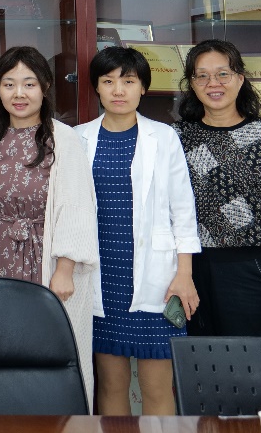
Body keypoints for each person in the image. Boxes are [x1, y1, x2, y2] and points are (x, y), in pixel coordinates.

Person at [75, 46, 200, 416]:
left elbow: (183, 210)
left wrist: (184, 275)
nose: (118, 90)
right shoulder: (77, 138)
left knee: (157, 388)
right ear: (96, 88)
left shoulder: (164, 137)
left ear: (143, 87)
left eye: (128, 81)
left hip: (157, 279)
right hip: (102, 276)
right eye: (108, 81)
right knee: (110, 385)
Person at [0, 45, 98, 406]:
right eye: (9, 84)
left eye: (29, 84)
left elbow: (77, 205)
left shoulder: (63, 138)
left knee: (51, 346)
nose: (19, 93)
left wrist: (65, 270)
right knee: (1, 344)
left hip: (47, 258)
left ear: (44, 87)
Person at [174, 39, 261, 337]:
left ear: (240, 79)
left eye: (223, 74)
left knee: (244, 359)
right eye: (202, 75)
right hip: (187, 268)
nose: (213, 83)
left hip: (251, 267)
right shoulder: (176, 137)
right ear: (191, 84)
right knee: (192, 359)